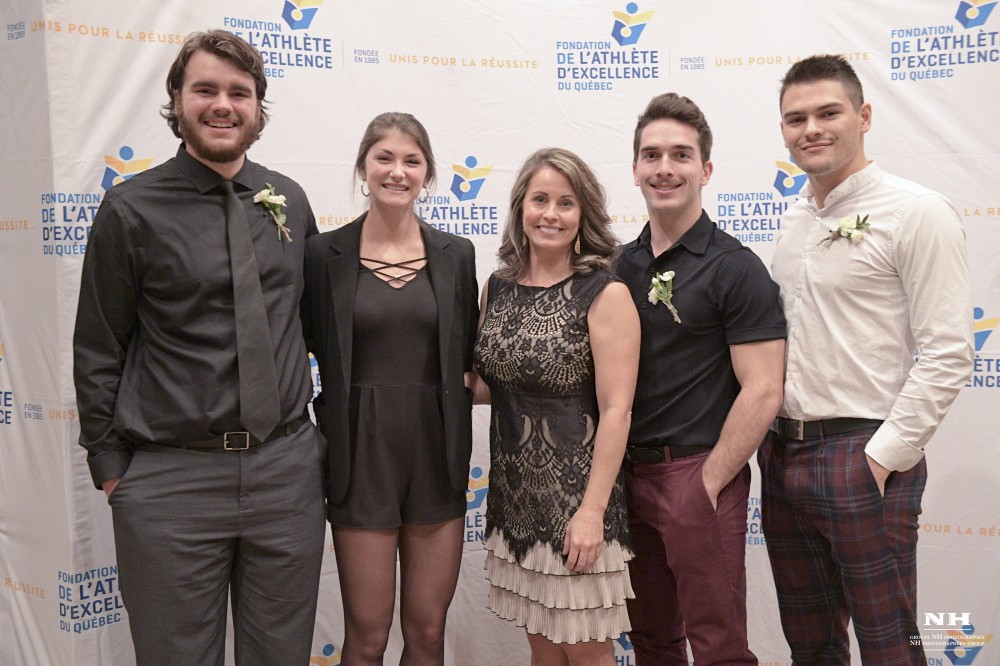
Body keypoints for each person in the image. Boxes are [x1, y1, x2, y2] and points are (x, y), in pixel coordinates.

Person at [73, 30, 326, 665]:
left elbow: (319, 324)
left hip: (285, 472)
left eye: (239, 93)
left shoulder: (288, 201)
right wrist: (112, 471)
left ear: (258, 108)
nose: (223, 105)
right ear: (177, 101)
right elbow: (99, 344)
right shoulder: (131, 209)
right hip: (170, 481)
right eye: (205, 90)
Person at [761, 54, 974, 664]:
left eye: (828, 112)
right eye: (795, 118)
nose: (811, 129)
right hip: (783, 455)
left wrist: (881, 459)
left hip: (864, 451)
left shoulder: (917, 212)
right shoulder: (793, 220)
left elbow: (950, 351)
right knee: (811, 647)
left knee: (891, 648)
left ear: (865, 115)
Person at [301, 112, 478, 665]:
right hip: (359, 459)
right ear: (363, 167)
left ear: (427, 173)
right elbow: (297, 347)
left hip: (436, 457)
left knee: (427, 636)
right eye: (385, 158)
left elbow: (472, 358)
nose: (397, 171)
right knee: (368, 638)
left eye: (412, 160)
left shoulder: (457, 256)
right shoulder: (321, 256)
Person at [615, 93, 786, 664]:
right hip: (626, 477)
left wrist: (708, 482)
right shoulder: (618, 266)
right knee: (653, 641)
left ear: (706, 170)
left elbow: (764, 388)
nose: (665, 168)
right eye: (652, 154)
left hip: (698, 473)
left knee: (718, 645)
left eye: (681, 155)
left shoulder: (735, 267)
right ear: (635, 168)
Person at [472, 147, 640, 666]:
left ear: (583, 215)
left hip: (577, 504)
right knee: (544, 652)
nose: (550, 213)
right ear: (520, 206)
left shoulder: (605, 293)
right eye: (539, 198)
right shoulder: (497, 287)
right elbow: (489, 386)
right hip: (516, 502)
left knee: (586, 655)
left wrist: (590, 513)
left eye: (566, 203)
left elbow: (617, 410)